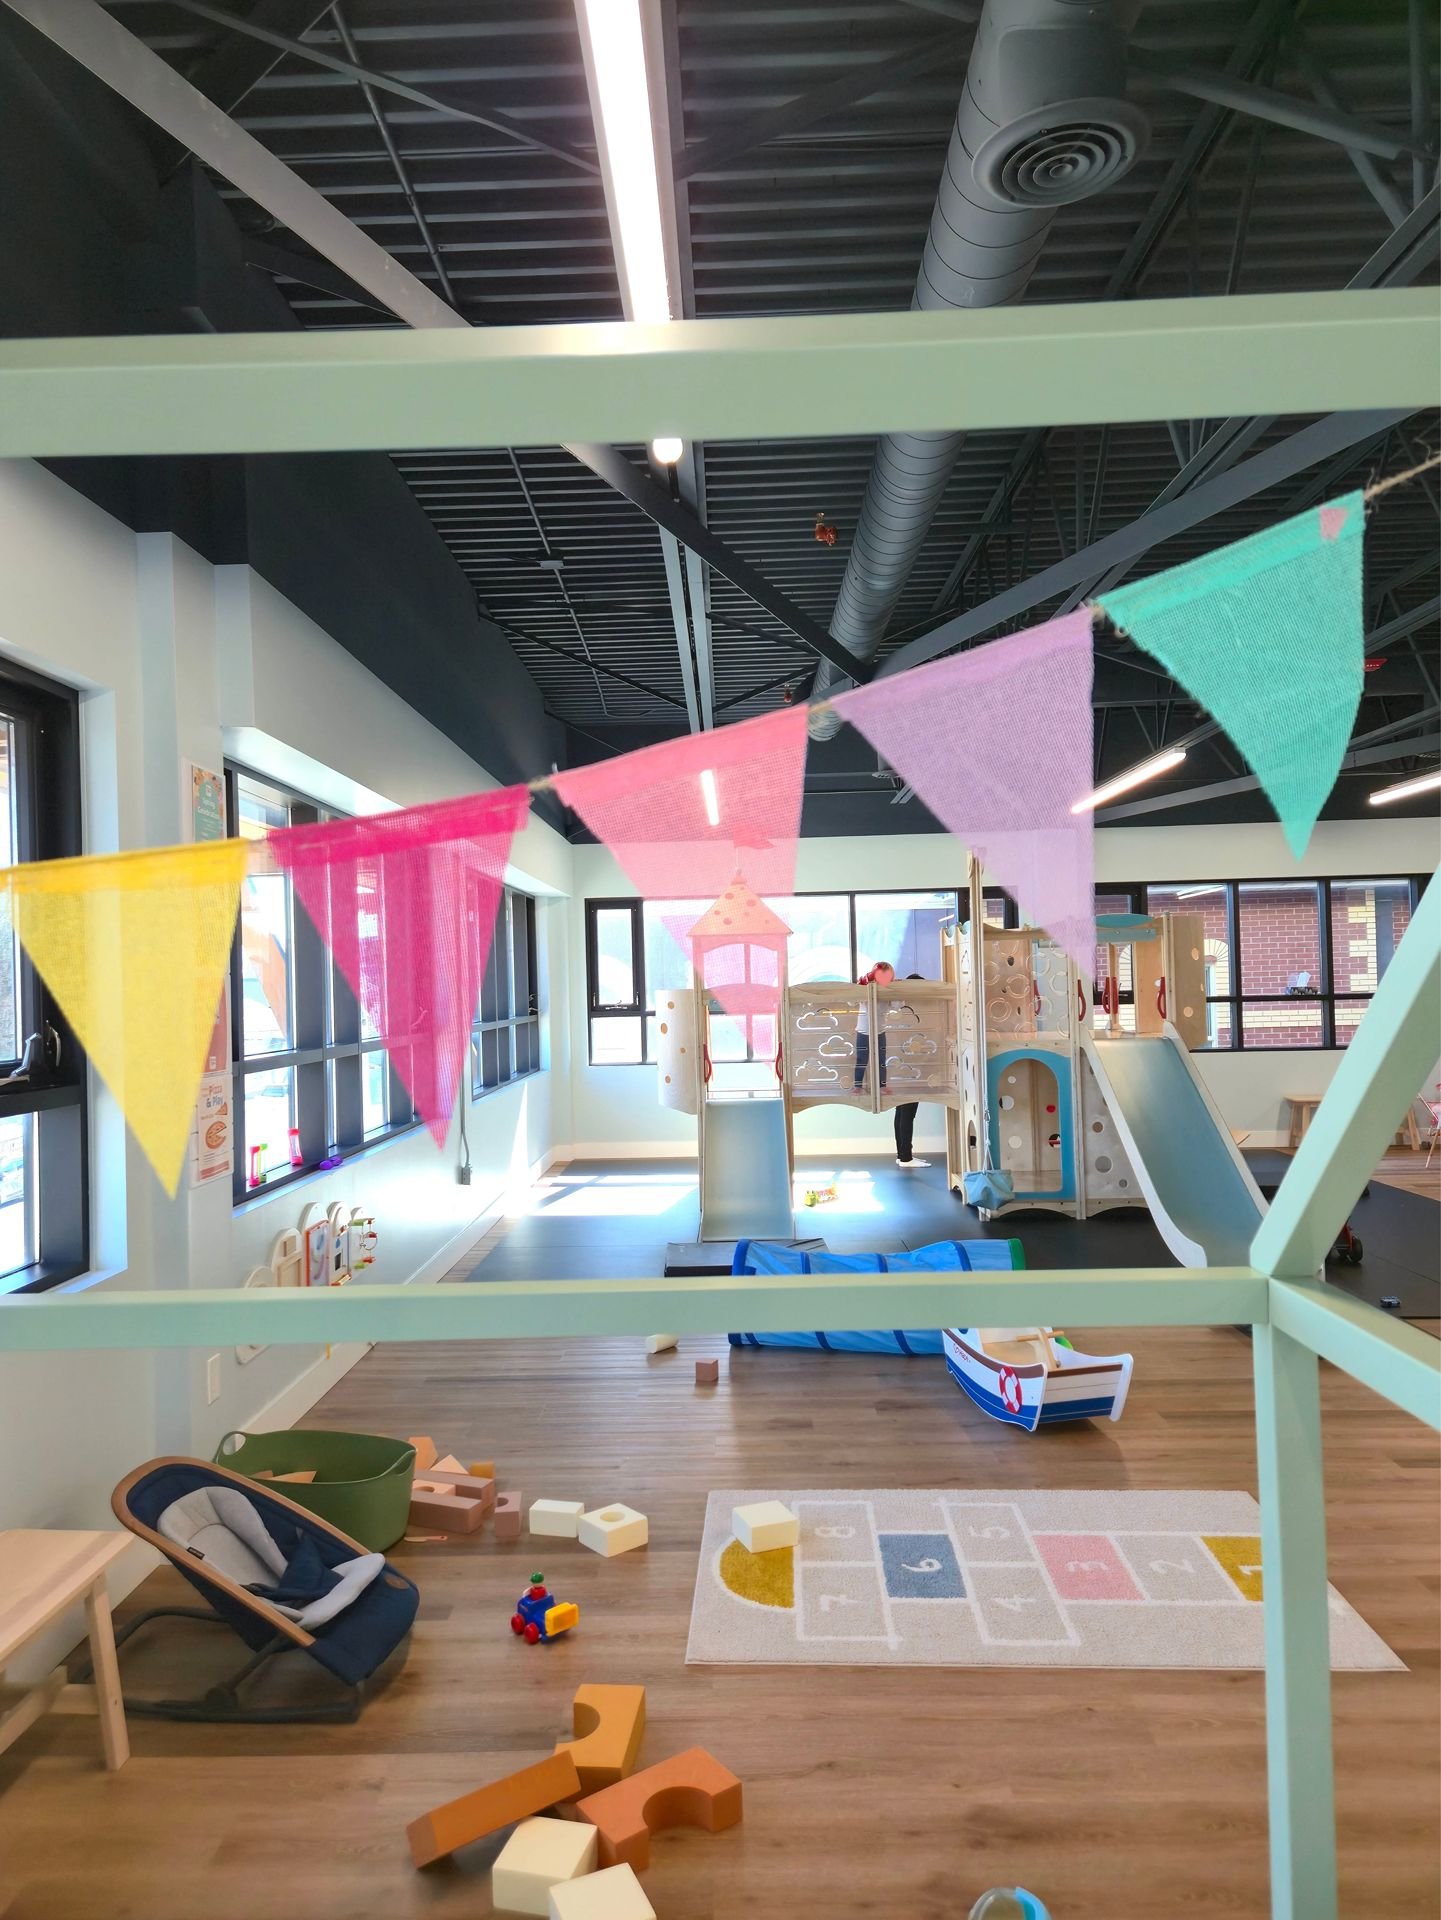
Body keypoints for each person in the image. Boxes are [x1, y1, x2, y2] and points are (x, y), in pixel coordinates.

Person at [893, 972, 930, 1168]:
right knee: (907, 1110)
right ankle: (906, 1156)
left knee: (903, 1109)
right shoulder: (910, 1010)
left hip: (902, 1065)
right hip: (909, 1066)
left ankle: (903, 1154)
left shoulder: (903, 1008)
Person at [853, 960, 893, 1093]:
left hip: (879, 1031)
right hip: (863, 1032)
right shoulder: (865, 988)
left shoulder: (888, 991)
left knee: (881, 1059)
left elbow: (898, 1004)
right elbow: (851, 1001)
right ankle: (857, 1086)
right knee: (861, 1059)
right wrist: (862, 984)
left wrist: (894, 988)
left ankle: (882, 1085)